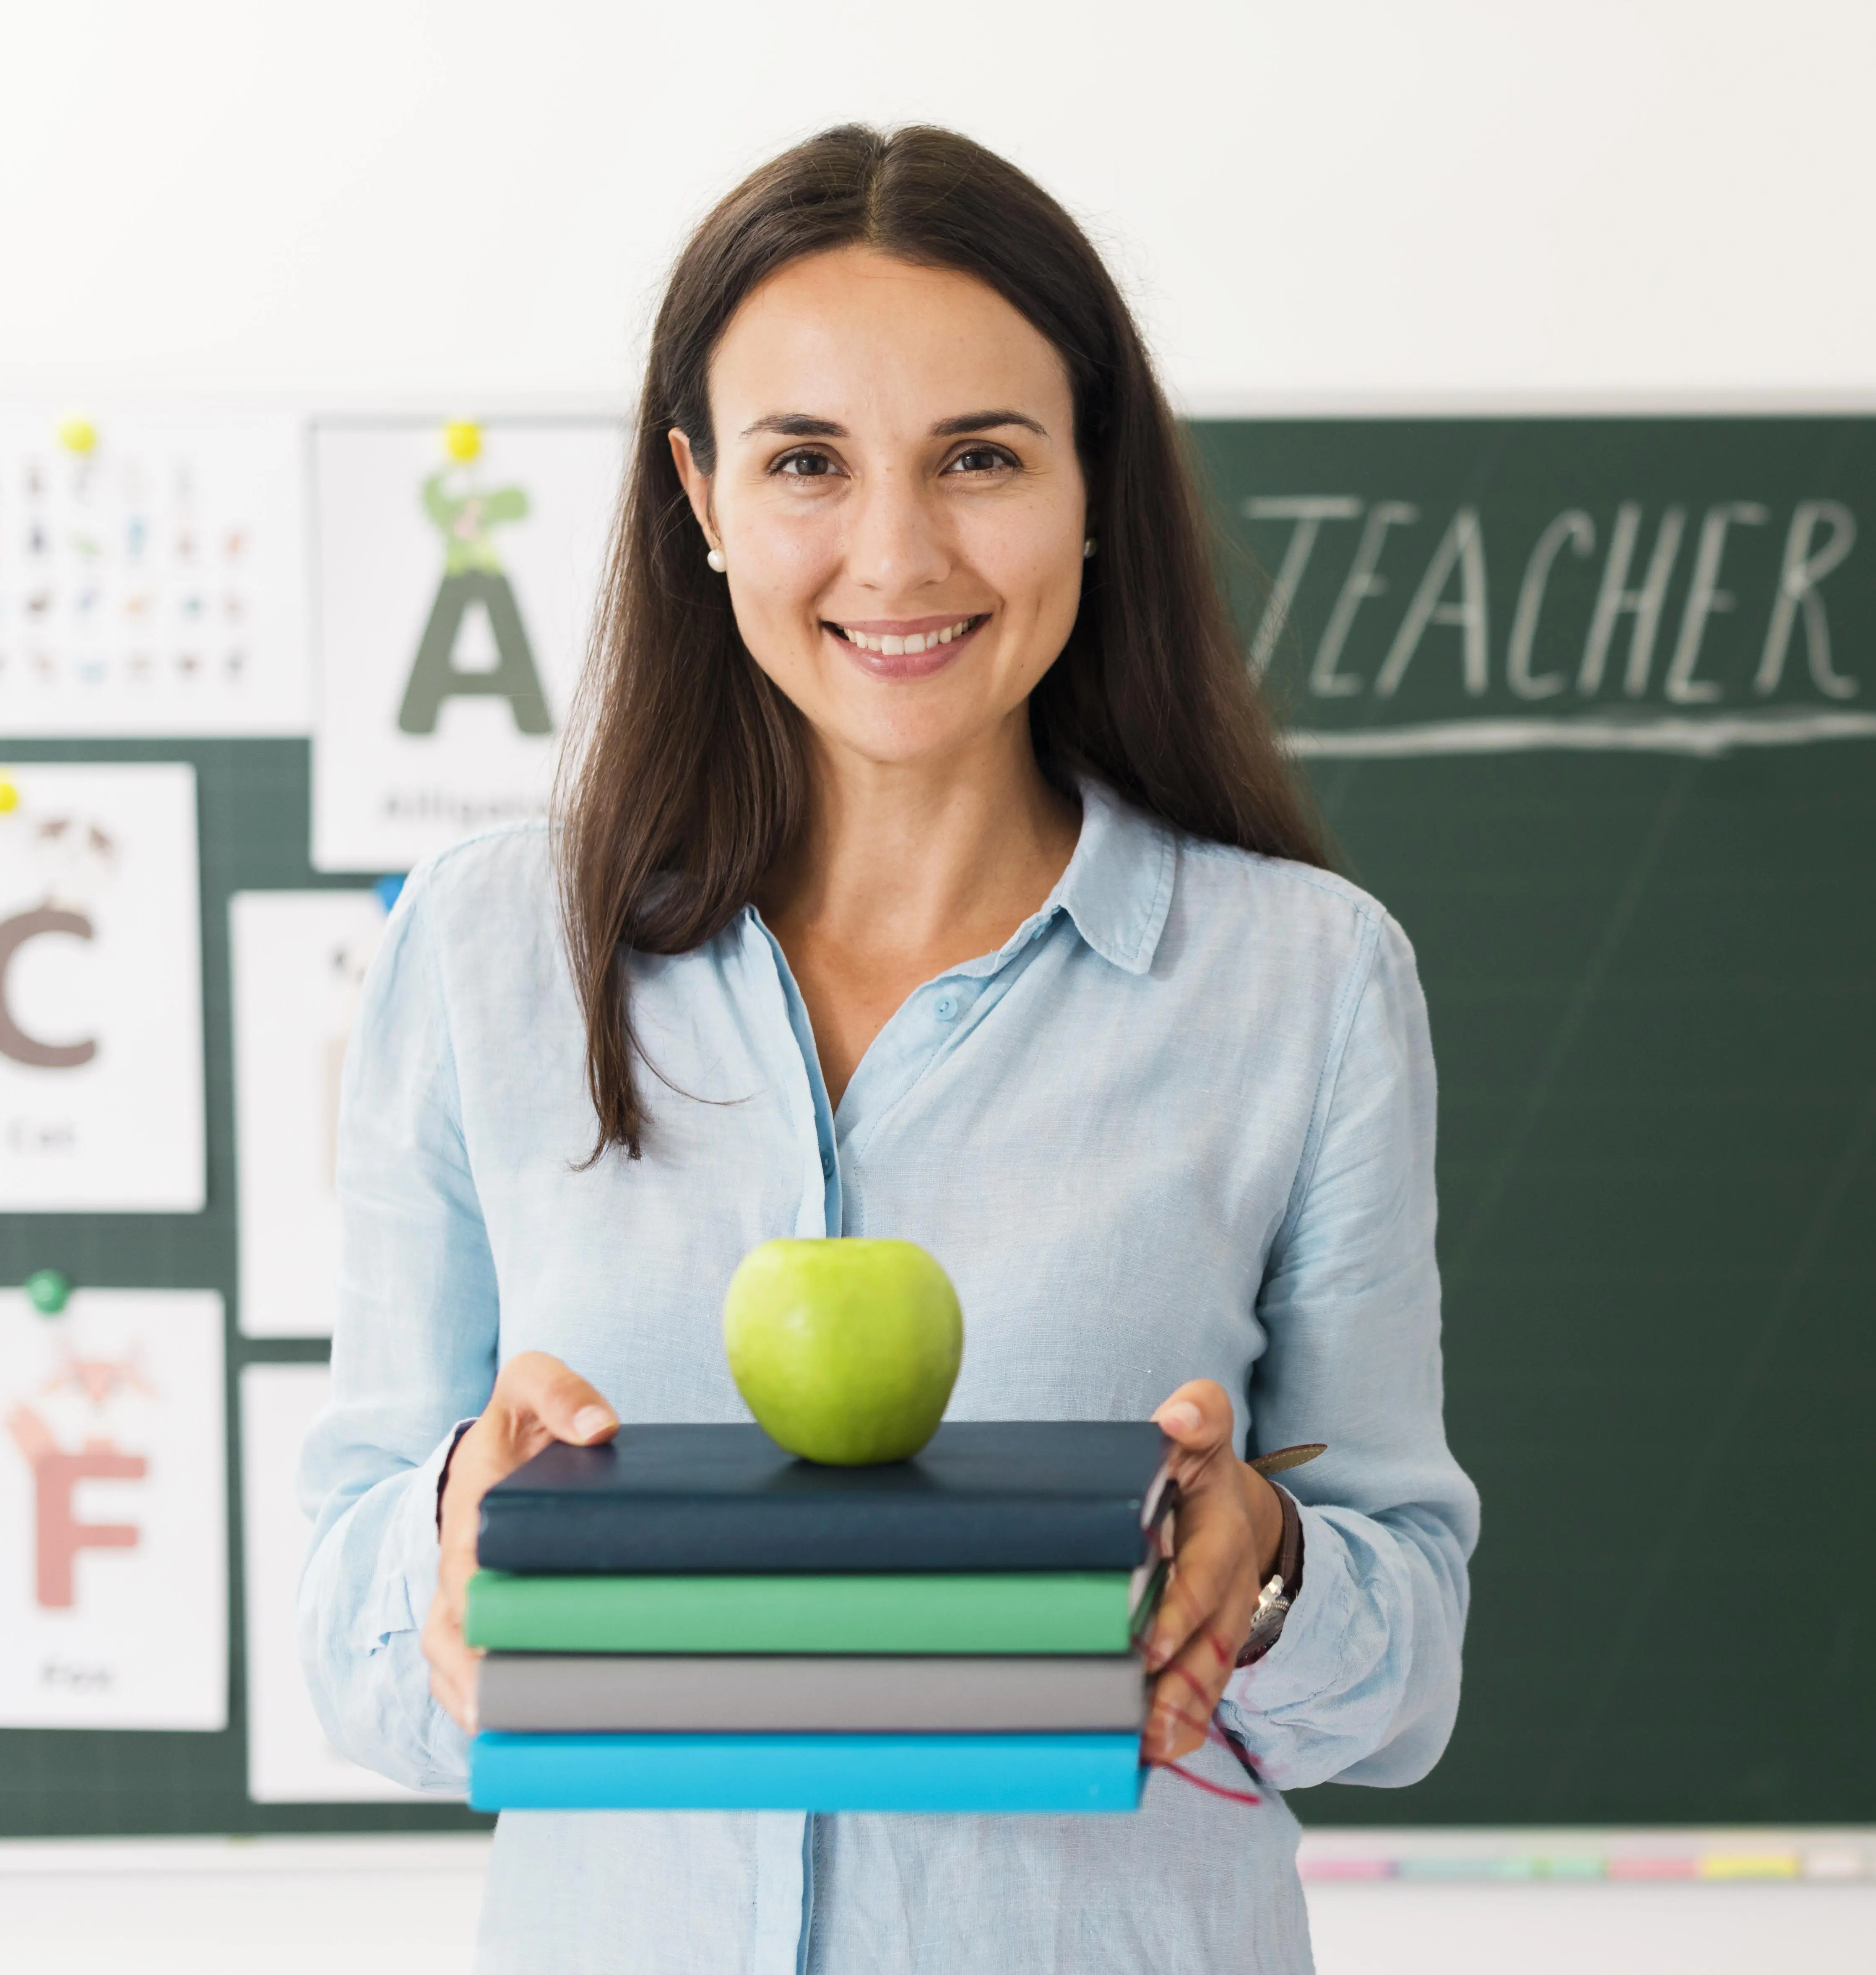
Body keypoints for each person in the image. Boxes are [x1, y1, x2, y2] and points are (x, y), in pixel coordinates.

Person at [297, 123, 1477, 1974]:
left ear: (1095, 483)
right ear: (697, 491)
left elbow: (1401, 1679)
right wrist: (449, 1535)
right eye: (804, 463)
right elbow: (351, 1654)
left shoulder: (1303, 986)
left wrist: (1273, 1569)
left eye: (981, 458)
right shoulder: (482, 958)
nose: (896, 553)